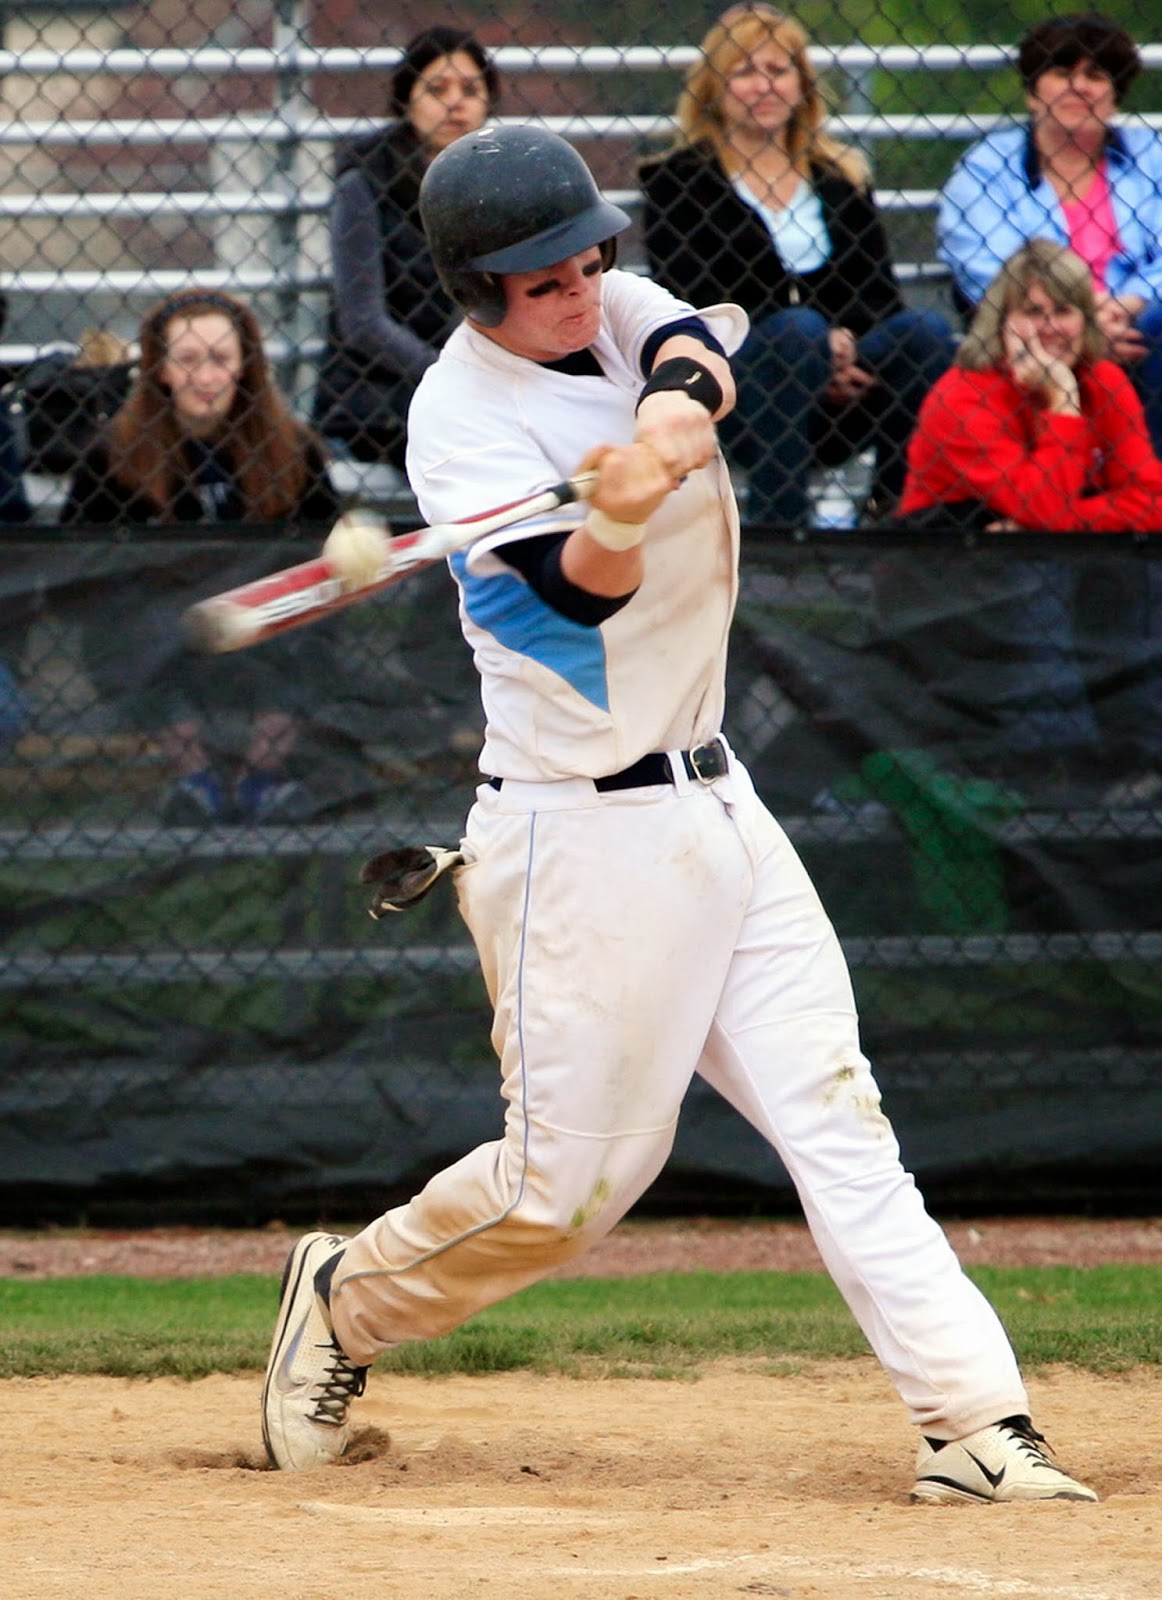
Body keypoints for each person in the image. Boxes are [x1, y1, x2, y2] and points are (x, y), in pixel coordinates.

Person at [260, 123, 1096, 1506]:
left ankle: (971, 1423)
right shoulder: (460, 422)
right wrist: (617, 518)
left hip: (717, 797)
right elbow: (572, 599)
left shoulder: (613, 304)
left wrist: (661, 423)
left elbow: (696, 346)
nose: (578, 289)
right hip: (577, 835)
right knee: (566, 1194)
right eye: (542, 279)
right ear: (475, 289)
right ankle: (346, 1297)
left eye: (586, 261)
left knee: (838, 1117)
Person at [639, 3, 954, 529]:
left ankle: (896, 515)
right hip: (741, 385)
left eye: (778, 69)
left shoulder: (840, 175)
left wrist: (844, 344)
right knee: (797, 331)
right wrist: (813, 344)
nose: (764, 85)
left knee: (925, 334)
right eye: (745, 71)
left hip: (845, 383)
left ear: (802, 84)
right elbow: (690, 297)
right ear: (715, 87)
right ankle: (782, 530)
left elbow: (879, 294)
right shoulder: (679, 181)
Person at [893, 239, 1162, 795]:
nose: (1050, 327)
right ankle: (1055, 770)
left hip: (1047, 549)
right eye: (1032, 312)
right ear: (1002, 320)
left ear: (1085, 318)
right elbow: (1042, 509)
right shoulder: (964, 394)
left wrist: (1064, 520)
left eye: (1063, 310)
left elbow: (1151, 499)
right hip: (946, 579)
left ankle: (1140, 762)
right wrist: (1062, 403)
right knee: (1035, 567)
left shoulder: (1104, 379)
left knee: (1136, 571)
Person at [61, 289, 340, 823]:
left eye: (220, 358)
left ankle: (261, 778)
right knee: (132, 631)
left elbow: (324, 557)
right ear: (160, 369)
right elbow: (81, 572)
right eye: (188, 359)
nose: (206, 376)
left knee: (311, 636)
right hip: (163, 624)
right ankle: (197, 783)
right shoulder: (113, 454)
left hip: (264, 620)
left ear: (245, 367)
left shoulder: (293, 449)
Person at [938, 12, 1162, 455]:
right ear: (1033, 92)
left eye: (1096, 75)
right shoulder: (985, 167)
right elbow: (987, 268)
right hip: (1033, 325)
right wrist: (1080, 319)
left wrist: (1131, 301)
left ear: (1115, 94)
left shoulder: (1152, 158)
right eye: (1062, 72)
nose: (1079, 87)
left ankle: (1150, 478)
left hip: (1135, 326)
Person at [311, 26, 500, 468]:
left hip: (480, 388)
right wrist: (450, 373)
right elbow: (363, 321)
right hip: (378, 403)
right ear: (406, 99)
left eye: (470, 89)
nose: (455, 102)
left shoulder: (502, 179)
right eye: (437, 89)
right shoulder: (366, 182)